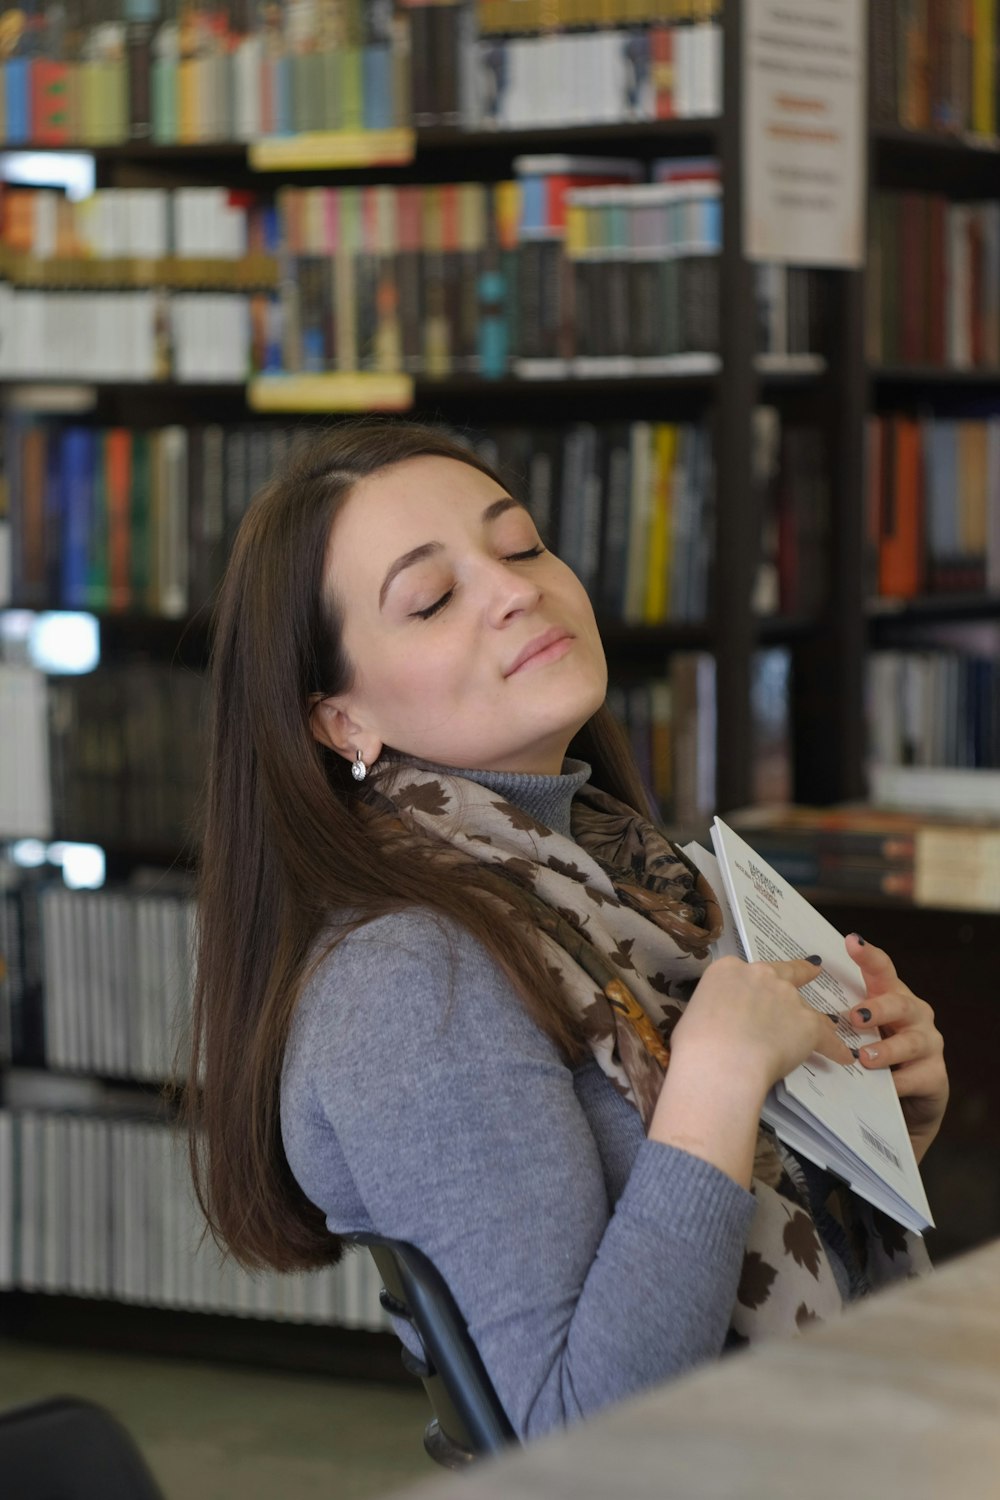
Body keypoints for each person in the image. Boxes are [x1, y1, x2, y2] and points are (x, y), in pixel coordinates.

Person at [188, 420, 948, 1441]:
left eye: (521, 547)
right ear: (341, 724)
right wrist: (718, 1081)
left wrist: (872, 1125)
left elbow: (740, 1231)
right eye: (432, 599)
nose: (515, 591)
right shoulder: (407, 980)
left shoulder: (632, 879)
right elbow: (571, 1434)